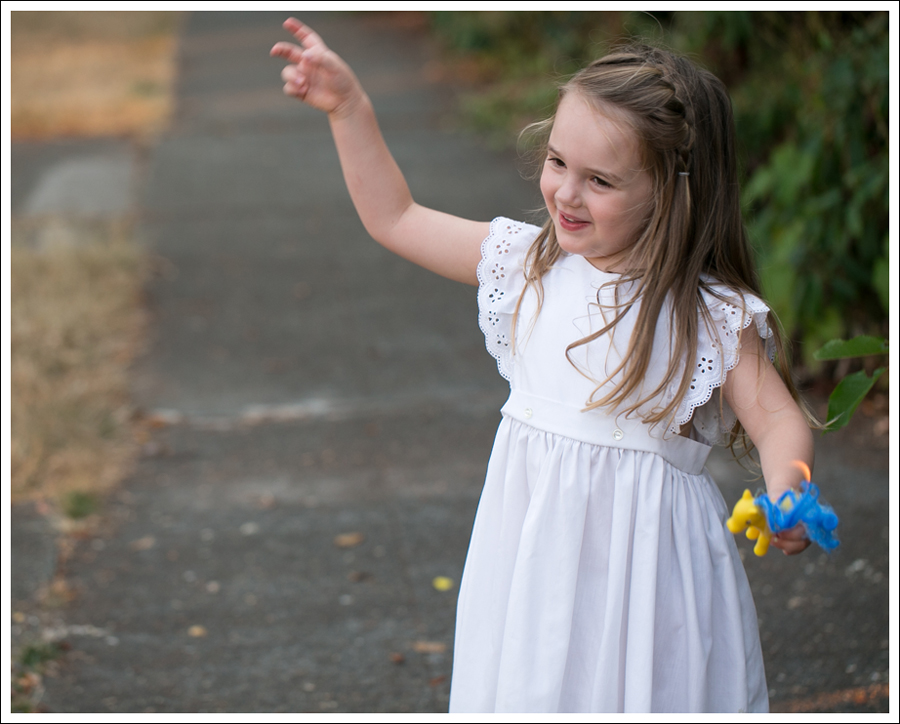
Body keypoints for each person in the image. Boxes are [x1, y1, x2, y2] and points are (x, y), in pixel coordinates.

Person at [271, 17, 816, 713]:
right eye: (558, 162)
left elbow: (777, 422)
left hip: (652, 580)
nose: (565, 192)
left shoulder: (706, 313)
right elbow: (396, 218)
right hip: (531, 570)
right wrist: (349, 109)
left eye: (601, 181)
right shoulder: (529, 266)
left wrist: (789, 490)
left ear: (672, 190)